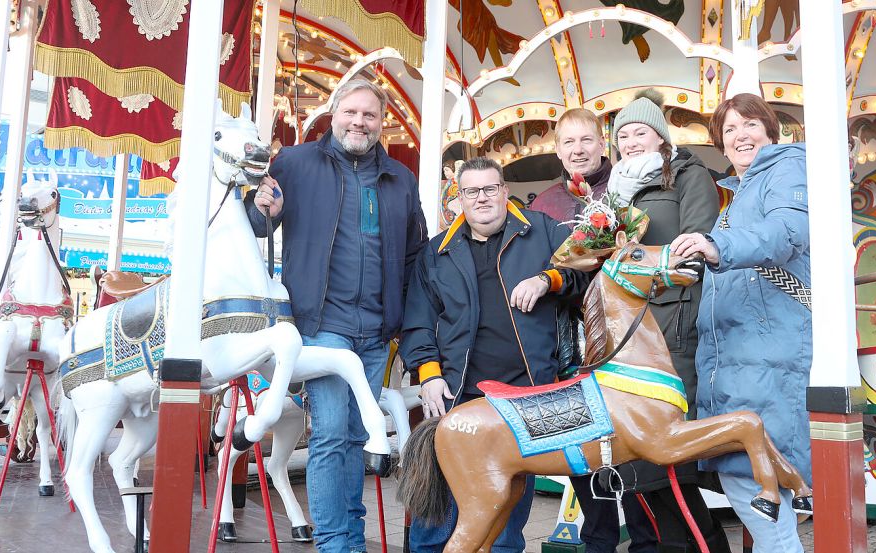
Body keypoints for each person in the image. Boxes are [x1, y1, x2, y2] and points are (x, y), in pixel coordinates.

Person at [246, 78, 428, 553]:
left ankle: (350, 534)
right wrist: (260, 207)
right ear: (333, 112)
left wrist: (408, 329)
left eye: (369, 115)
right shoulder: (296, 163)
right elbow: (256, 224)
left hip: (375, 329)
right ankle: (335, 543)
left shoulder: (399, 180)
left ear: (381, 121)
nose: (358, 122)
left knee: (354, 433)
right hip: (321, 323)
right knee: (329, 431)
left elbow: (414, 256)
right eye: (350, 112)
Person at [400, 156, 589, 553]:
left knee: (506, 518)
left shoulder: (544, 231)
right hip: (460, 393)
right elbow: (418, 321)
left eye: (490, 189)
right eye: (472, 191)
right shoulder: (437, 252)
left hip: (527, 395)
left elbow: (584, 275)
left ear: (504, 192)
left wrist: (547, 279)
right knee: (438, 513)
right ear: (460, 198)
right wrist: (430, 375)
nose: (482, 198)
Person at [671, 93, 811, 552]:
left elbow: (787, 232)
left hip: (766, 350)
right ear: (723, 147)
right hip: (739, 357)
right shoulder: (738, 198)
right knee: (750, 482)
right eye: (729, 130)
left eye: (749, 124)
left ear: (770, 131)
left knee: (755, 484)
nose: (740, 135)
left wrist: (718, 247)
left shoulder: (786, 168)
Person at [530, 107, 660, 553]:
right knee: (582, 439)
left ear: (602, 144)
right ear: (558, 149)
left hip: (624, 330)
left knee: (634, 437)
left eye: (586, 140)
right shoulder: (544, 204)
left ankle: (648, 539)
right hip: (570, 336)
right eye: (569, 142)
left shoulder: (625, 190)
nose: (578, 150)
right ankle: (599, 537)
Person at [605, 89, 729, 553]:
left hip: (674, 320)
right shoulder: (616, 186)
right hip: (631, 327)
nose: (631, 141)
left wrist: (650, 266)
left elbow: (696, 243)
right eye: (623, 135)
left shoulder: (687, 175)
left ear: (659, 135)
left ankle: (706, 545)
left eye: (640, 131)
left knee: (665, 457)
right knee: (644, 462)